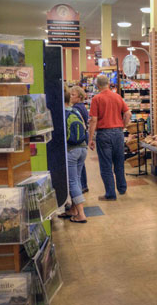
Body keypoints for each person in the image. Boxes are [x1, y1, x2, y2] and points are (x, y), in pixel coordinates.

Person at [88, 75, 131, 201]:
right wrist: (123, 126)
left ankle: (110, 194)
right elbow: (128, 113)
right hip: (118, 133)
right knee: (119, 162)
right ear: (108, 84)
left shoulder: (97, 98)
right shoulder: (117, 96)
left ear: (97, 85)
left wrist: (90, 138)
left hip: (104, 134)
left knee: (106, 165)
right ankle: (122, 188)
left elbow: (93, 120)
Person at [59, 88, 88, 223]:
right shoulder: (75, 110)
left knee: (72, 181)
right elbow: (85, 127)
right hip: (82, 148)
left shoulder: (61, 113)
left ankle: (81, 214)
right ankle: (74, 210)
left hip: (71, 150)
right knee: (76, 179)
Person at [70, 86, 89, 193]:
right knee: (81, 164)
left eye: (73, 95)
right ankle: (83, 185)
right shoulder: (82, 107)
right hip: (83, 137)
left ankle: (81, 186)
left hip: (79, 139)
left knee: (78, 166)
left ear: (79, 97)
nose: (71, 97)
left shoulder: (76, 109)